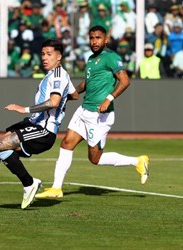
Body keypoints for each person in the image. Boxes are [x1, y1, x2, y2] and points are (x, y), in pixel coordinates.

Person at [0, 39, 78, 209]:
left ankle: (29, 183)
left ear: (59, 56)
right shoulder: (59, 75)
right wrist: (65, 98)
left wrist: (24, 109)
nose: (45, 58)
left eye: (49, 54)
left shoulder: (57, 76)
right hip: (34, 123)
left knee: (1, 145)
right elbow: (75, 95)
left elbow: (54, 102)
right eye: (43, 54)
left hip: (44, 130)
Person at [35, 26, 149, 199]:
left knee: (95, 159)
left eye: (98, 38)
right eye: (91, 38)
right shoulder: (91, 59)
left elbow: (125, 81)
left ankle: (138, 161)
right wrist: (73, 93)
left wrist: (109, 99)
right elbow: (87, 83)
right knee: (66, 143)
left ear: (106, 39)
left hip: (100, 115)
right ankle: (56, 188)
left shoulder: (111, 57)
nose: (94, 41)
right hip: (84, 110)